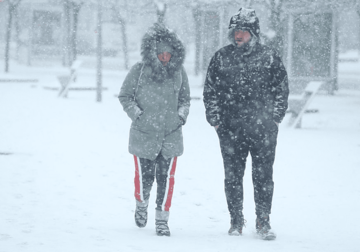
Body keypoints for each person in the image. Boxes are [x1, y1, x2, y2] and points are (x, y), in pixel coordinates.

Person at [203, 8, 289, 240]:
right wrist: (216, 120)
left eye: (243, 30)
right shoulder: (221, 57)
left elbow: (281, 88)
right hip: (230, 129)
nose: (239, 35)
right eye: (235, 31)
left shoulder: (269, 57)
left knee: (263, 177)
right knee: (233, 177)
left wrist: (275, 118)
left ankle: (263, 221)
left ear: (253, 32)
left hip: (263, 130)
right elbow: (210, 90)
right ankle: (236, 220)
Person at [118, 23, 190, 237]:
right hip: (144, 133)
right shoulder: (139, 71)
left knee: (166, 179)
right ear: (153, 51)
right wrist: (137, 115)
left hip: (171, 134)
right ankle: (141, 204)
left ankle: (162, 219)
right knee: (144, 178)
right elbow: (125, 96)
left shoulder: (179, 72)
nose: (165, 56)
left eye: (169, 52)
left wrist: (181, 116)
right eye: (161, 52)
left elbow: (185, 99)